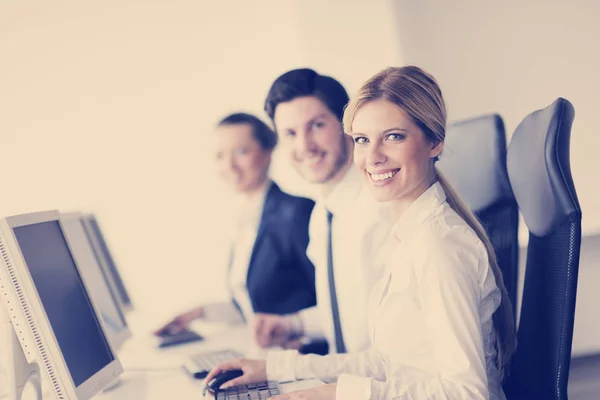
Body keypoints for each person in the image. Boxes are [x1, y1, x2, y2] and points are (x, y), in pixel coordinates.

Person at [204, 66, 518, 400]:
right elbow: (389, 361)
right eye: (363, 140)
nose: (373, 156)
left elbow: (468, 393)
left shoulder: (437, 245)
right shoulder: (407, 233)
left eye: (393, 136)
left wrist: (335, 394)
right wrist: (276, 369)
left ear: (434, 141)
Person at [251, 68, 394, 355]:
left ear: (348, 125)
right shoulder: (322, 216)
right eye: (290, 133)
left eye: (316, 125)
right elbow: (351, 314)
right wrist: (292, 324)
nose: (304, 145)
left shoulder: (382, 208)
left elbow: (395, 337)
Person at [154, 112, 316, 334]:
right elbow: (255, 307)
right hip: (270, 353)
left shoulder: (296, 212)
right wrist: (198, 313)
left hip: (305, 355)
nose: (229, 165)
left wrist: (296, 330)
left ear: (267, 152)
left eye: (241, 152)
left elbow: (331, 305)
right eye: (220, 155)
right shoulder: (243, 216)